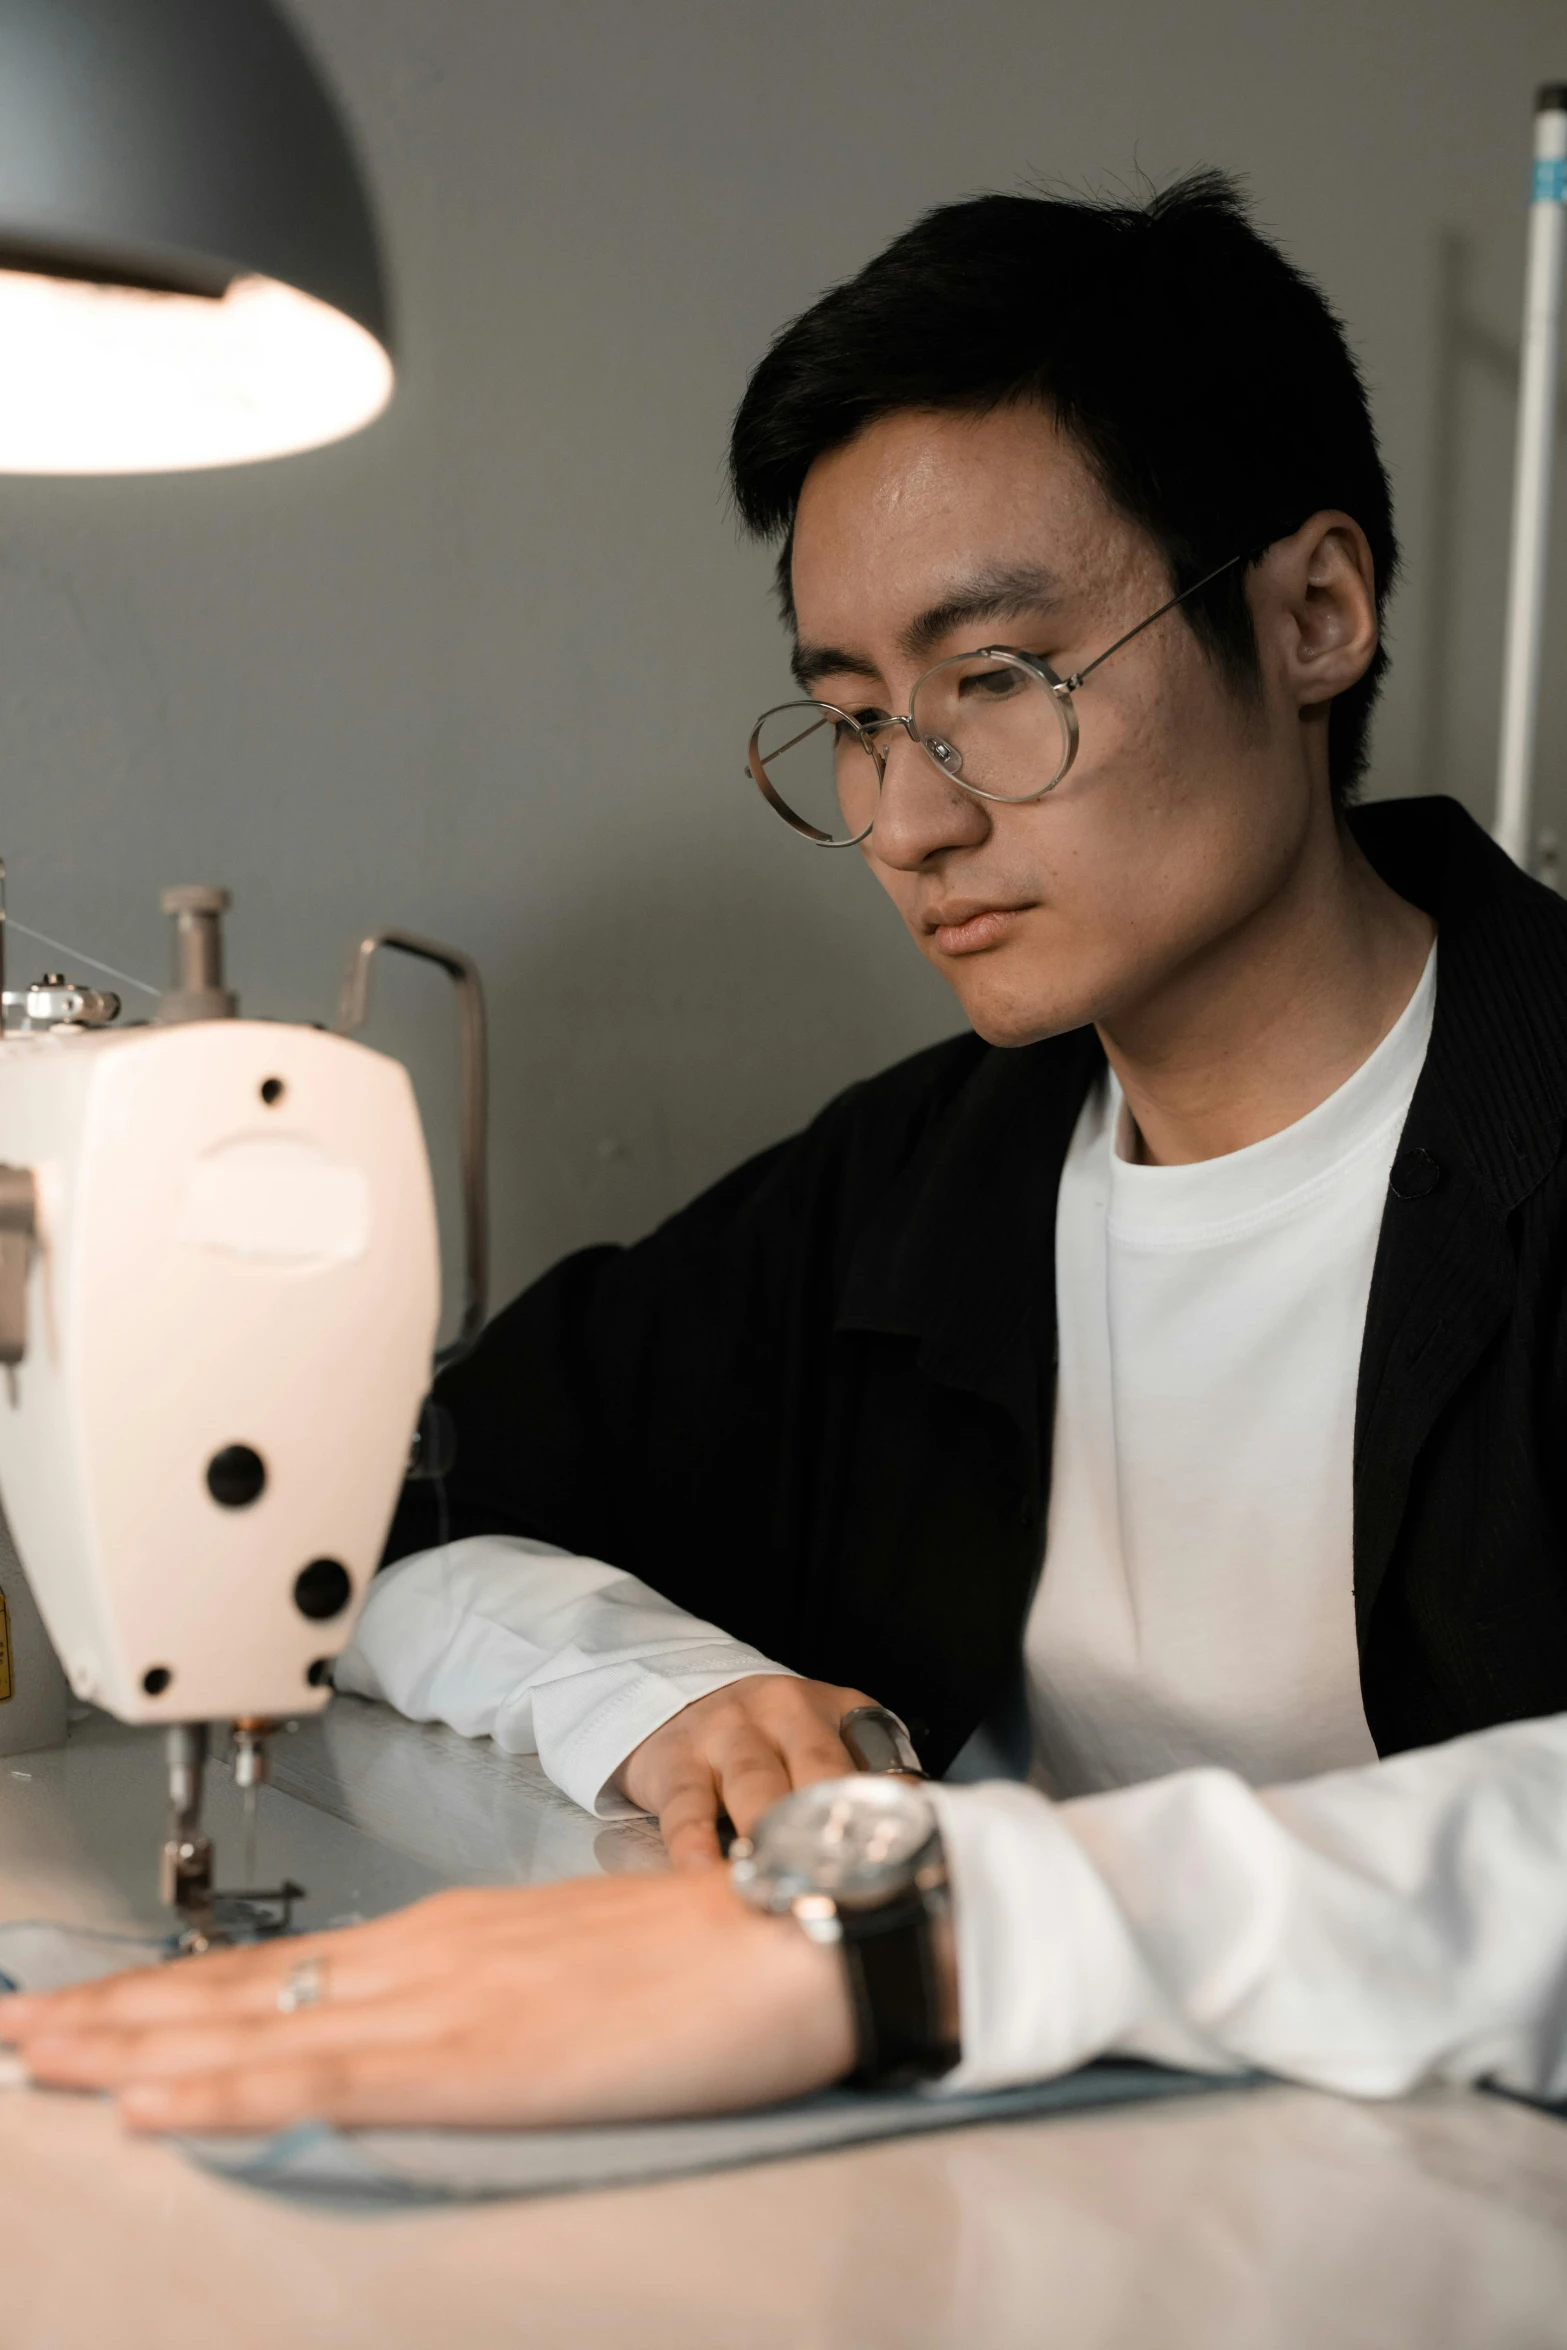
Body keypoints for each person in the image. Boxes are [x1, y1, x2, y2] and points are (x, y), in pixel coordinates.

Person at [7, 172, 1567, 2135]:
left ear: (1315, 608)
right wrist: (642, 1686)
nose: (906, 815)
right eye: (848, 717)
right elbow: (388, 1497)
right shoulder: (918, 1187)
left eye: (997, 679)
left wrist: (935, 1924)